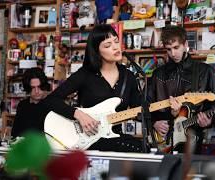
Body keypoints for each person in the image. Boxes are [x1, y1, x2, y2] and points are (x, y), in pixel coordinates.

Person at [42, 24, 144, 152]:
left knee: (145, 148)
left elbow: (138, 110)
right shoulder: (85, 74)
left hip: (114, 135)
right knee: (134, 148)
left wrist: (164, 115)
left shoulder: (128, 76)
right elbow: (50, 100)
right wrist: (79, 115)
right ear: (97, 51)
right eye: (107, 45)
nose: (115, 47)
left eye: (116, 41)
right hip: (89, 138)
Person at [148, 25, 215, 154]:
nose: (173, 53)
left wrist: (210, 121)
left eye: (176, 47)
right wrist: (154, 123)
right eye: (169, 49)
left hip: (192, 140)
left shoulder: (204, 71)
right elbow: (145, 105)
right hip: (163, 140)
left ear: (185, 44)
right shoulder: (158, 74)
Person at [11, 67, 51, 138]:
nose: (36, 91)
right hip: (25, 146)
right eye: (33, 88)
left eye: (39, 87)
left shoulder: (52, 104)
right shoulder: (22, 105)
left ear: (44, 86)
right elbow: (15, 133)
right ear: (28, 88)